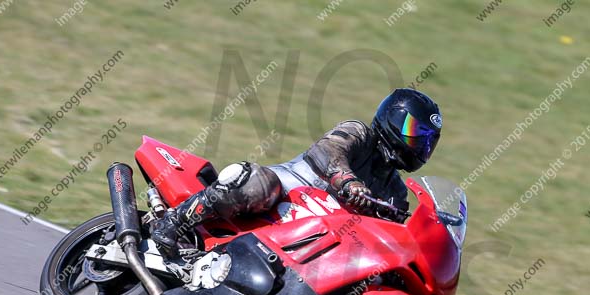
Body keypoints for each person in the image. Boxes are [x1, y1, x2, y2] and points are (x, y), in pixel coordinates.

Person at [151, 88, 442, 255]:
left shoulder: (395, 192)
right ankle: (174, 222)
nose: (420, 143)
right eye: (414, 131)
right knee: (258, 185)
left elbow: (388, 234)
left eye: (428, 139)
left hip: (317, 236)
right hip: (287, 194)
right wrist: (348, 181)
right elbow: (327, 152)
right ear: (392, 119)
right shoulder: (359, 132)